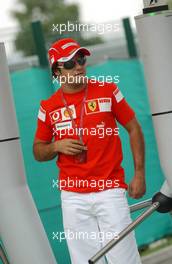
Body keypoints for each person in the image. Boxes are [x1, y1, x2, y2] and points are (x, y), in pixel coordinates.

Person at [33, 38, 146, 264]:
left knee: (124, 260)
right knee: (84, 261)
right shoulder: (48, 106)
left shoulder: (108, 90)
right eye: (70, 63)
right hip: (72, 197)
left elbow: (134, 128)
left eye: (81, 59)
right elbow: (38, 151)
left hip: (110, 189)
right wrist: (56, 145)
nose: (79, 66)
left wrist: (140, 173)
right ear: (56, 70)